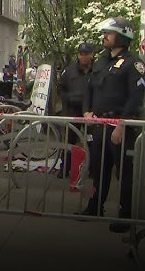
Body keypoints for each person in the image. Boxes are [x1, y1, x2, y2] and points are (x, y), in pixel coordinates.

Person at [82, 17, 144, 233]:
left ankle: (125, 215)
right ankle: (94, 207)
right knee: (99, 168)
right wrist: (86, 111)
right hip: (99, 124)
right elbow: (89, 89)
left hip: (120, 126)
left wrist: (122, 125)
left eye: (109, 32)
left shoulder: (133, 63)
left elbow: (135, 97)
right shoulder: (101, 61)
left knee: (125, 173)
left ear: (122, 35)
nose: (104, 36)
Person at [56, 42, 93, 178]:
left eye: (87, 54)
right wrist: (68, 98)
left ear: (91, 55)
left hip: (90, 112)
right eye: (81, 54)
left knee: (91, 141)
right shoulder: (69, 71)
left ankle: (93, 169)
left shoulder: (96, 71)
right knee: (69, 141)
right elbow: (60, 88)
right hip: (72, 110)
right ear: (78, 55)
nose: (84, 57)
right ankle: (64, 168)